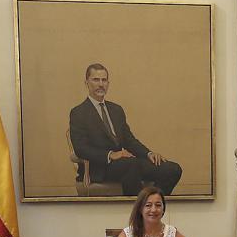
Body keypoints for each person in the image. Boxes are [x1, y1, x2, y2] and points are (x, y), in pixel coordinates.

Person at [68, 63, 182, 196]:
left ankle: (150, 202)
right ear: (87, 83)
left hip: (126, 163)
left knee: (172, 169)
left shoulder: (116, 110)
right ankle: (140, 206)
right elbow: (81, 148)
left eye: (104, 80)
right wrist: (111, 154)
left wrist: (148, 154)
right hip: (99, 168)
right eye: (96, 80)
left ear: (108, 83)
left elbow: (129, 140)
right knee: (131, 165)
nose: (101, 84)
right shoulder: (78, 113)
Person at [105, 186, 205, 237]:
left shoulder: (171, 233)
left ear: (163, 209)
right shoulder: (128, 233)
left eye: (158, 205)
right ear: (140, 209)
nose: (153, 210)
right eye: (148, 205)